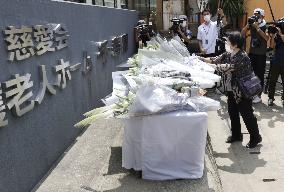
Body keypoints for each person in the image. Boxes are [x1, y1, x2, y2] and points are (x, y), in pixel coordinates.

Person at [199, 31, 262, 148]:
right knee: (232, 113)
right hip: (231, 89)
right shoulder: (229, 53)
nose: (227, 43)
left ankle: (255, 137)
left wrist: (212, 67)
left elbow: (228, 67)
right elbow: (215, 59)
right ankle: (236, 135)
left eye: (228, 41)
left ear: (235, 44)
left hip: (242, 91)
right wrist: (200, 59)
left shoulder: (243, 57)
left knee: (247, 114)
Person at [241, 8, 269, 103]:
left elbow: (267, 38)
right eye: (254, 15)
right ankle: (251, 93)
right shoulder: (252, 24)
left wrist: (257, 28)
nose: (255, 17)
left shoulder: (266, 25)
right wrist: (248, 25)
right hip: (252, 53)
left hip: (261, 54)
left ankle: (258, 95)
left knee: (260, 75)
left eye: (258, 15)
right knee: (250, 74)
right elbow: (242, 34)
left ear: (263, 16)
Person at [267, 26, 284, 106]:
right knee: (272, 81)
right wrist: (273, 36)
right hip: (276, 62)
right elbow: (272, 46)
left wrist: (280, 33)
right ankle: (271, 98)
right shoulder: (276, 36)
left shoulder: (281, 35)